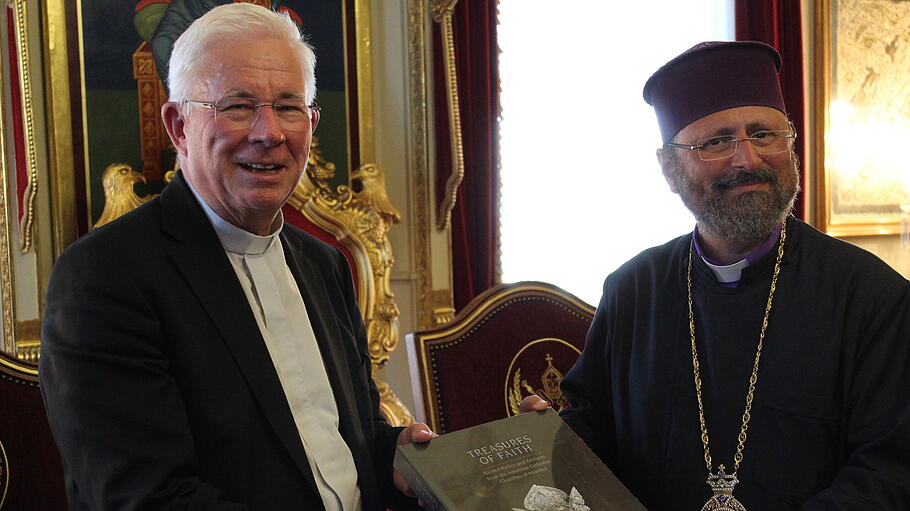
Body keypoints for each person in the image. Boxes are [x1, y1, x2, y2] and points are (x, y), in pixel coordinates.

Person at [39, 4, 430, 509]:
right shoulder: (106, 275)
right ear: (179, 126)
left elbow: (344, 448)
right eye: (238, 106)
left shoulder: (326, 264)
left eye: (289, 107)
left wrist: (396, 458)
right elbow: (147, 498)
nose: (269, 133)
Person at [522, 41, 910, 510]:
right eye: (716, 141)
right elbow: (596, 430)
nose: (747, 159)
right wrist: (541, 441)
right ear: (668, 168)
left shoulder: (873, 298)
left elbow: (889, 472)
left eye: (764, 134)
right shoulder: (631, 290)